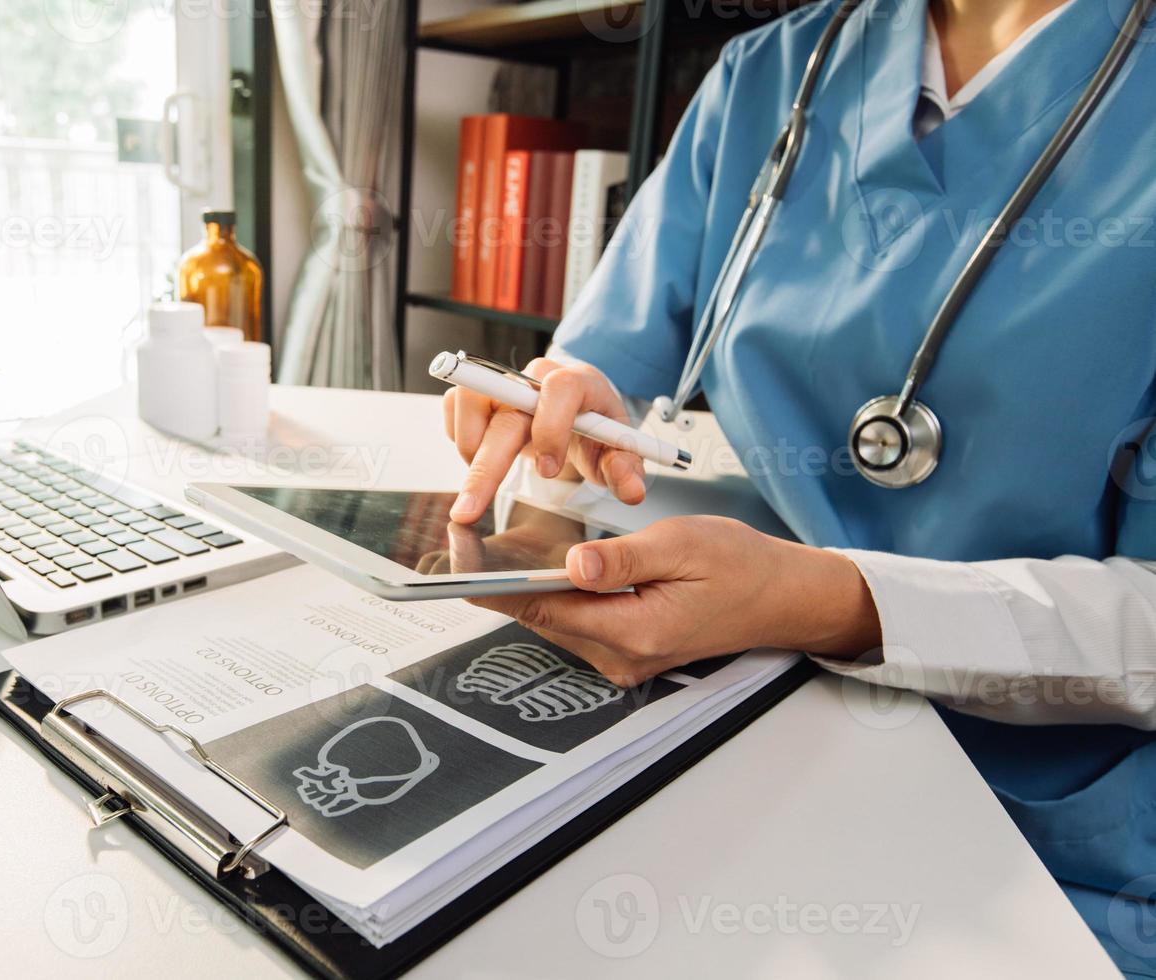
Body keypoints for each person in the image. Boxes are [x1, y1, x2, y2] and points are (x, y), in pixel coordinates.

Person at [443, 0, 1156, 973]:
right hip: (726, 702)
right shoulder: (772, 71)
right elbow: (611, 350)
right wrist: (563, 394)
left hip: (1037, 816)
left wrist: (831, 602)